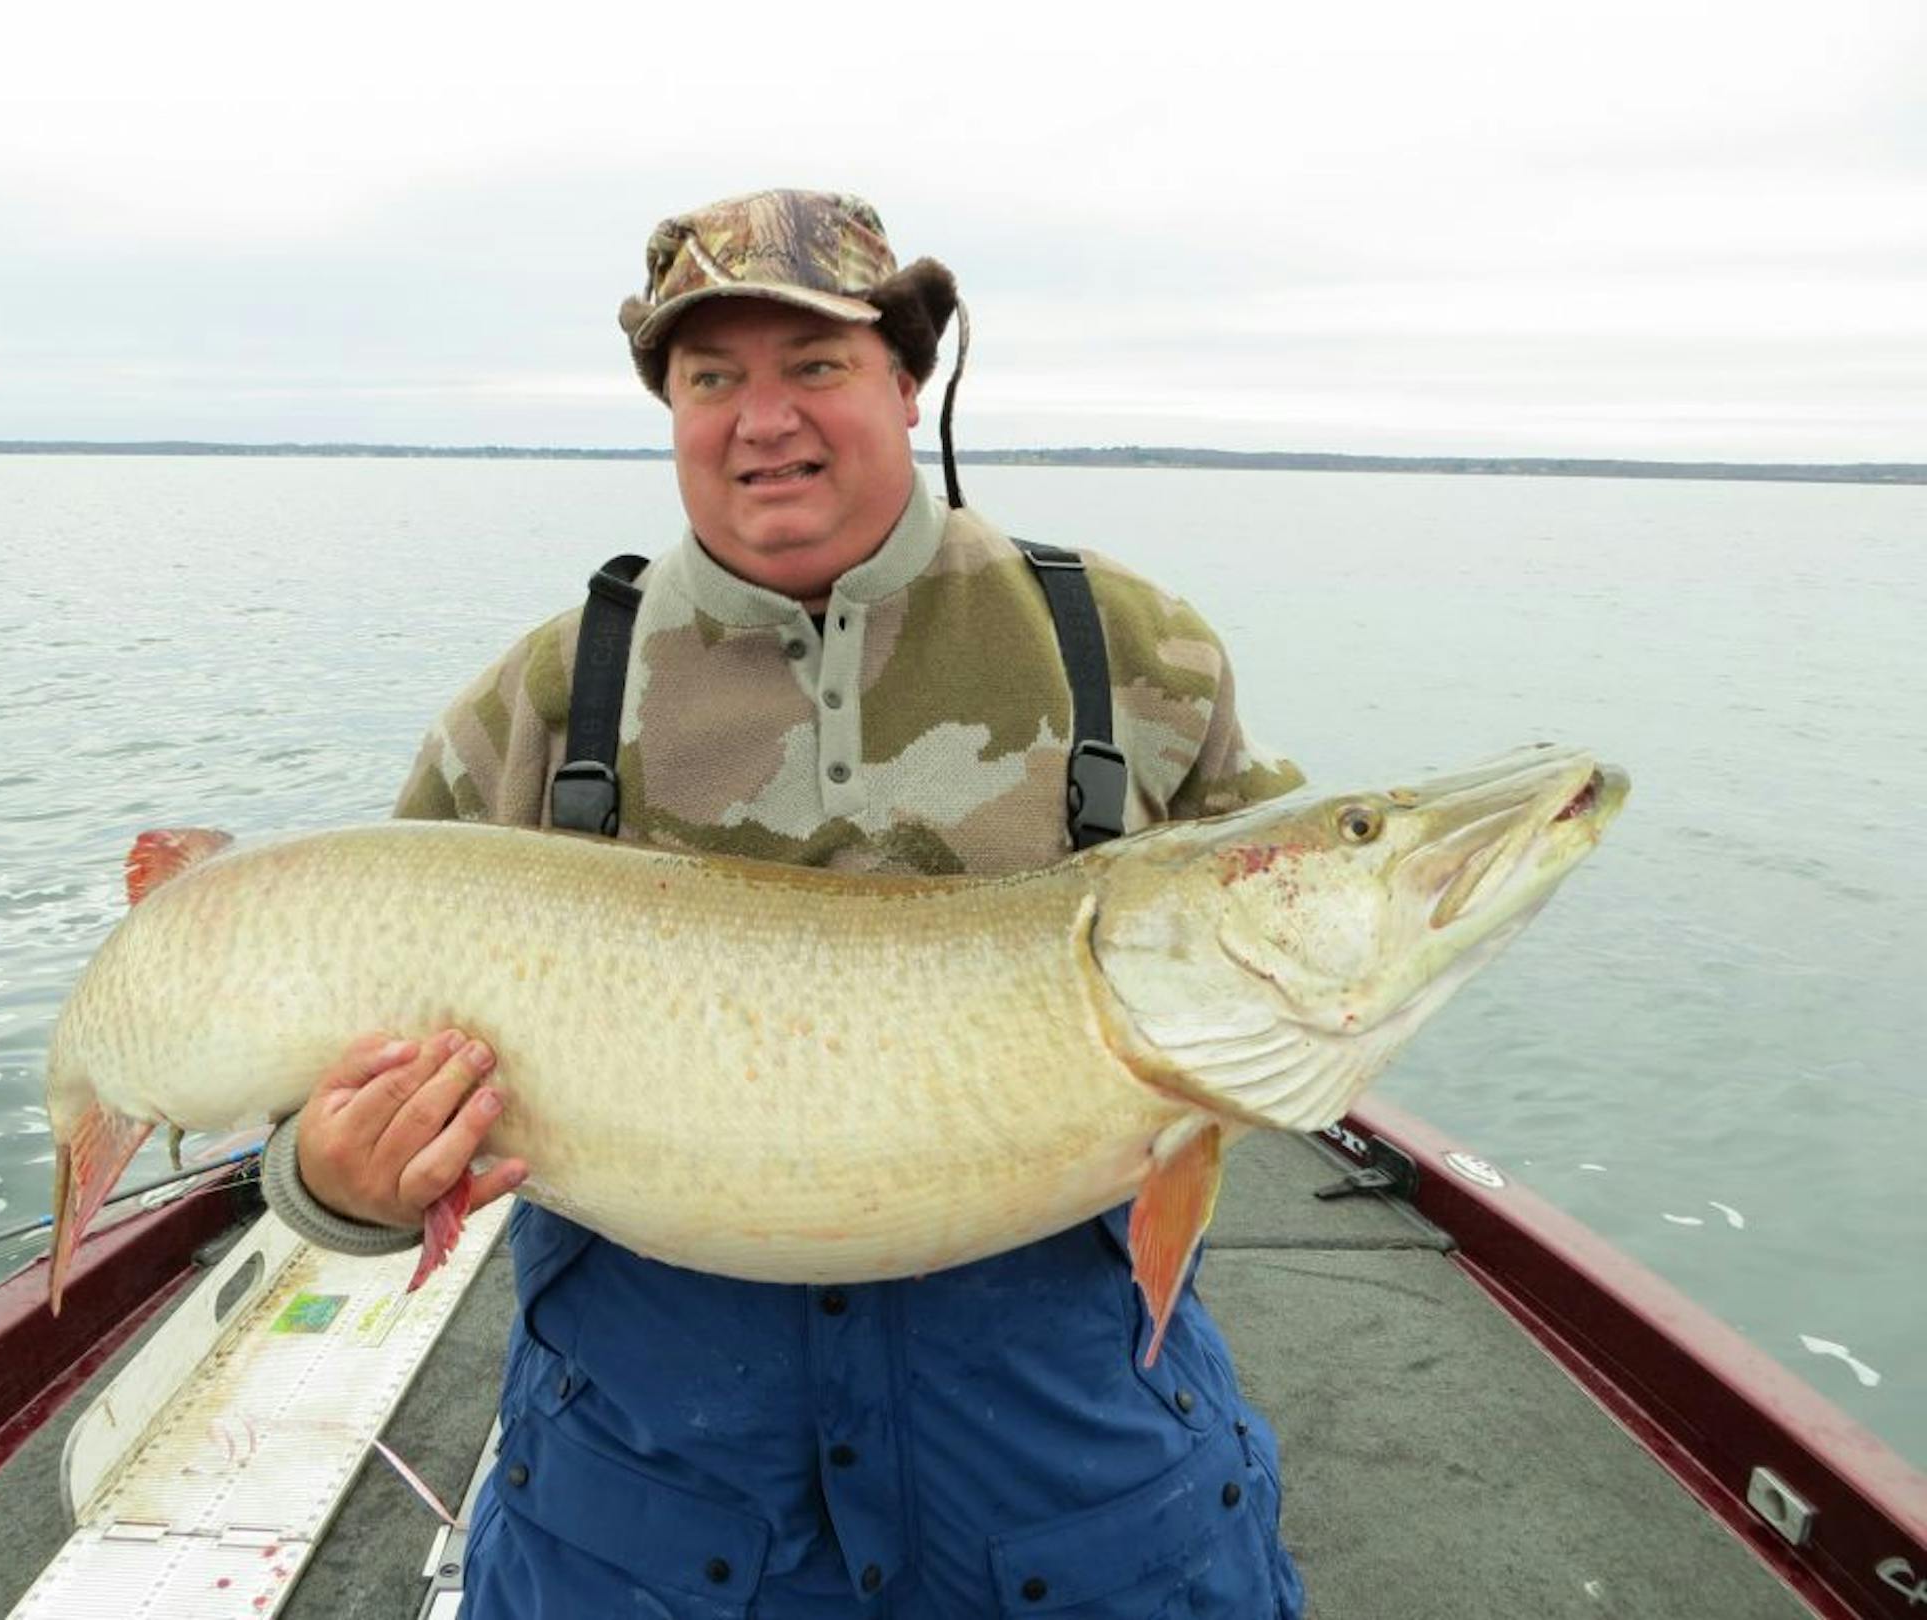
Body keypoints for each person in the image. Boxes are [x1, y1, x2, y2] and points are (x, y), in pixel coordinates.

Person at [261, 188, 1309, 1617]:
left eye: (816, 364)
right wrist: (337, 1185)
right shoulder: (541, 703)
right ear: (670, 408)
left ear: (907, 378)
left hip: (1077, 1480)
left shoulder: (1132, 648)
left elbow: (1288, 950)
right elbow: (324, 1080)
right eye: (712, 378)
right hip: (652, 1508)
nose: (765, 420)